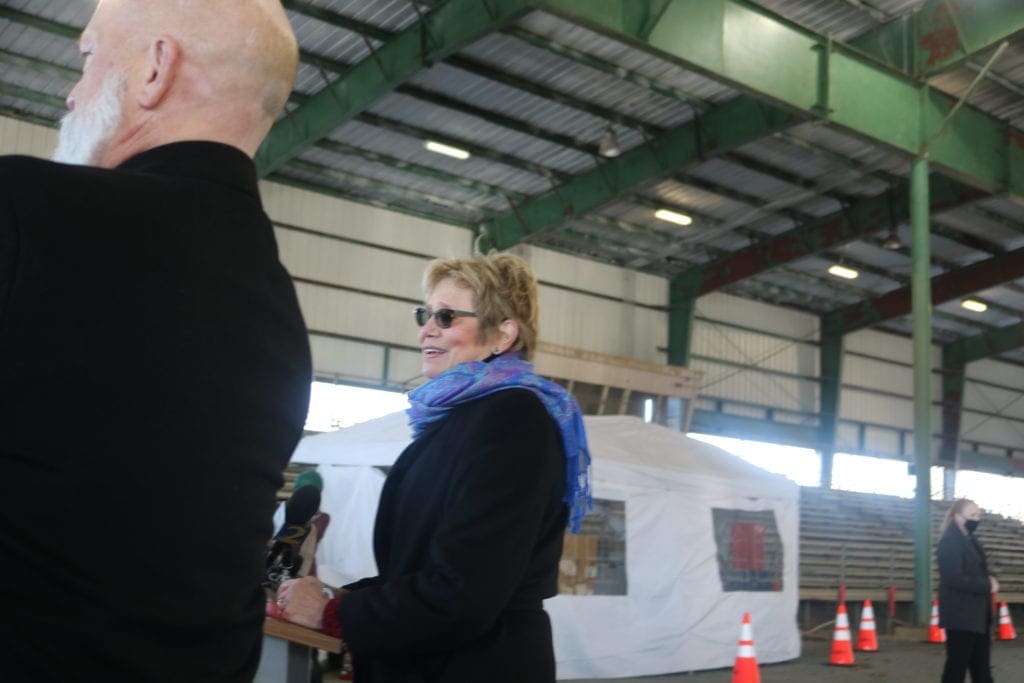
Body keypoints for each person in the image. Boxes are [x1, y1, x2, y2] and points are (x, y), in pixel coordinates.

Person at [0, 2, 311, 681]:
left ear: (156, 68)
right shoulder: (280, 313)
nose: (72, 90)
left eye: (87, 57)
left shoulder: (25, 211)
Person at [277, 253, 591, 683]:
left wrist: (338, 613)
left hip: (476, 665)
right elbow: (418, 570)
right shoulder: (458, 421)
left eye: (446, 317)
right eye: (425, 314)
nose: (427, 329)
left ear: (503, 334)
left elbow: (465, 591)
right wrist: (337, 597)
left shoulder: (514, 420)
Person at [937, 498, 998, 683]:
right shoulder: (949, 542)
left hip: (977, 615)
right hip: (961, 615)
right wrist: (987, 585)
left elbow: (979, 568)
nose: (976, 519)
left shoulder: (970, 540)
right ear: (957, 517)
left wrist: (990, 578)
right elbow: (954, 578)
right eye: (972, 515)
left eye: (978, 515)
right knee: (957, 668)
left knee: (981, 668)